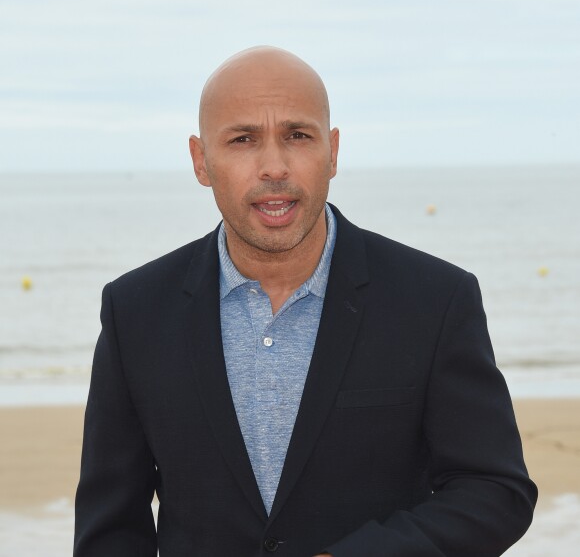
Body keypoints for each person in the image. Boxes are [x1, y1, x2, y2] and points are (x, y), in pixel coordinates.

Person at [74, 46, 537, 557]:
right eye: (243, 139)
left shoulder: (436, 299)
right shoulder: (133, 311)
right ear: (201, 160)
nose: (274, 166)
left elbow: (495, 491)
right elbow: (110, 526)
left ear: (332, 152)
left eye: (297, 135)